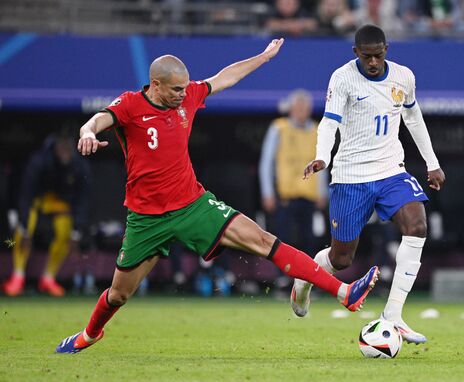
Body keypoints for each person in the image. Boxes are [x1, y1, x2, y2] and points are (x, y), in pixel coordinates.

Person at [55, 39, 380, 354]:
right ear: (155, 84)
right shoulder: (130, 105)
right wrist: (86, 132)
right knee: (118, 295)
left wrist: (263, 58)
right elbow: (100, 119)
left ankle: (344, 292)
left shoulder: (187, 97)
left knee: (263, 239)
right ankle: (89, 334)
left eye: (186, 89)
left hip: (193, 205)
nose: (185, 95)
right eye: (176, 90)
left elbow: (225, 77)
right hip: (146, 218)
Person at [290, 24, 445, 345]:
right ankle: (304, 280)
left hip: (391, 170)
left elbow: (413, 118)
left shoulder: (404, 77)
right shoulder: (342, 78)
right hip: (351, 176)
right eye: (366, 56)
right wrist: (322, 157)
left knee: (416, 226)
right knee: (341, 259)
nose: (373, 62)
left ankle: (394, 316)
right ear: (355, 53)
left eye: (378, 55)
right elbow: (329, 122)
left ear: (386, 49)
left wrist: (432, 163)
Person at [2, 131, 90, 297]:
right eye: (61, 147)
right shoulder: (39, 161)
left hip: (59, 200)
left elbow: (82, 201)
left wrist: (77, 232)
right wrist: (24, 228)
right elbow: (26, 194)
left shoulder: (79, 165)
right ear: (54, 148)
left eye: (67, 148)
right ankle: (17, 277)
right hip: (37, 197)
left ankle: (48, 278)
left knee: (66, 232)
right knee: (23, 230)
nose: (64, 151)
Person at [259, 89, 327, 257]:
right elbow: (267, 162)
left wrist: (322, 192)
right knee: (283, 238)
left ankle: (308, 277)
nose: (301, 112)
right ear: (291, 109)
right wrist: (267, 192)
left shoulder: (317, 131)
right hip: (285, 195)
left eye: (304, 109)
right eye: (298, 108)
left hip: (309, 195)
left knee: (309, 239)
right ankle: (282, 277)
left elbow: (322, 163)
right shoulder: (279, 128)